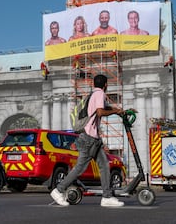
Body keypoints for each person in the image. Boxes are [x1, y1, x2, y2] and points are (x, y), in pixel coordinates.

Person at [50, 74, 125, 207]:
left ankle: (107, 197)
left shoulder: (93, 94)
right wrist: (115, 112)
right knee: (80, 168)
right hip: (89, 139)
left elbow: (104, 108)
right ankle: (58, 190)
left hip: (94, 139)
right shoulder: (100, 93)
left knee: (104, 166)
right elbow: (101, 112)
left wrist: (118, 111)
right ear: (106, 85)